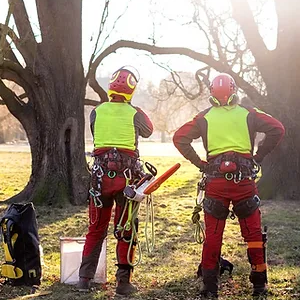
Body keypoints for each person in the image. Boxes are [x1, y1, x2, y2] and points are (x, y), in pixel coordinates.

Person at [173, 73, 285, 299]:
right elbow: (277, 128)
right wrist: (259, 155)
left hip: (215, 182)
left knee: (213, 235)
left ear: (212, 93)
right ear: (234, 92)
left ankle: (210, 288)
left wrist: (200, 163)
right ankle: (259, 284)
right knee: (253, 234)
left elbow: (179, 137)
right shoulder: (248, 113)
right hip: (244, 181)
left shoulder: (204, 117)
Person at [77, 66, 153, 296]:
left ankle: (84, 279)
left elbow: (94, 130)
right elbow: (148, 131)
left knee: (96, 229)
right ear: (131, 90)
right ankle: (123, 283)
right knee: (126, 229)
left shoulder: (97, 111)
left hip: (100, 180)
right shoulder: (135, 113)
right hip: (127, 180)